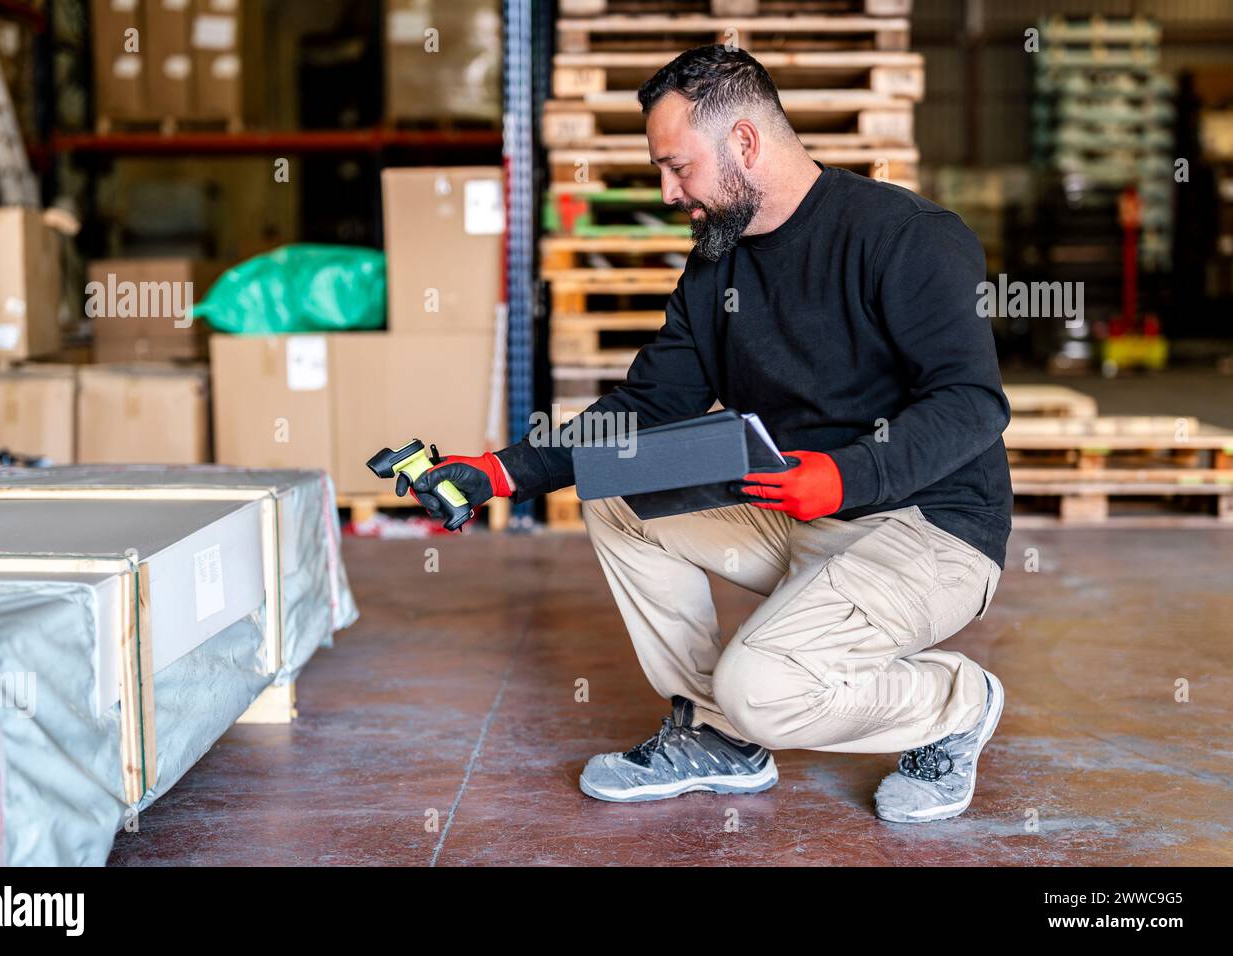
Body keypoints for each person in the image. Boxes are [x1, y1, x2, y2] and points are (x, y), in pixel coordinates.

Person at [397, 45, 1012, 824]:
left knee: (761, 687)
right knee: (616, 491)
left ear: (746, 143)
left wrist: (849, 477)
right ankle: (719, 735)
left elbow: (971, 402)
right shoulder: (716, 269)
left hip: (930, 528)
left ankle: (956, 701)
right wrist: (501, 469)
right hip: (796, 505)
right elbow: (648, 404)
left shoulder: (906, 237)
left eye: (678, 167)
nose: (668, 191)